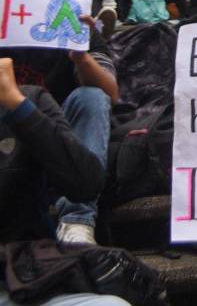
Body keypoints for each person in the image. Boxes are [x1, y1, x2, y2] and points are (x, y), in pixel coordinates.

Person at [0, 59, 129, 306]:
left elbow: (86, 184)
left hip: (21, 275)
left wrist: (17, 106)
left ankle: (77, 222)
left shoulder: (29, 100)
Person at [1, 0, 117, 248]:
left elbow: (111, 93)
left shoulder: (73, 25)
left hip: (62, 143)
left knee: (93, 97)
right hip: (7, 141)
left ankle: (77, 219)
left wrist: (81, 57)